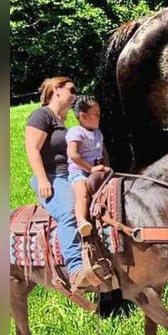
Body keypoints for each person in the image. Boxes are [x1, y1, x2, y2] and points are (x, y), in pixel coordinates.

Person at [24, 76, 92, 290]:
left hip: (70, 176)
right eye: (71, 90)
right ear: (57, 90)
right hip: (52, 177)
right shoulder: (41, 115)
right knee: (70, 212)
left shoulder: (63, 123)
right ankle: (75, 270)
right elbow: (32, 149)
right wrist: (43, 179)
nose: (75, 95)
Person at [66, 95, 109, 237]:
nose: (99, 116)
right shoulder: (76, 132)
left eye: (99, 113)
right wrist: (89, 169)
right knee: (82, 193)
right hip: (79, 173)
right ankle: (81, 221)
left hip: (96, 171)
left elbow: (102, 151)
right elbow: (73, 155)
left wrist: (105, 166)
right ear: (83, 116)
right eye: (95, 114)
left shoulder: (98, 132)